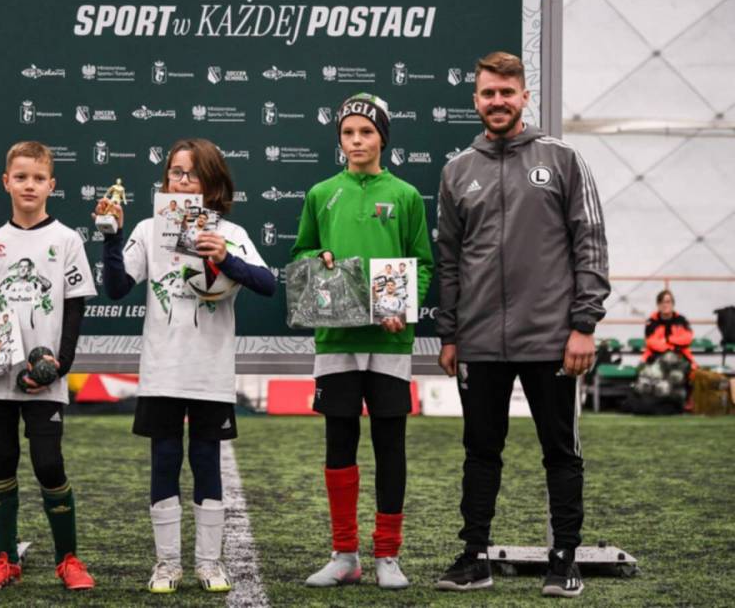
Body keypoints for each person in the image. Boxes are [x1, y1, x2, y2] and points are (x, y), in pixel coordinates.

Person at [434, 52, 610, 599]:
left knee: (560, 451)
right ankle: (475, 557)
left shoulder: (563, 159)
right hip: (479, 341)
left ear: (525, 96)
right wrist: (450, 334)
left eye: (507, 92)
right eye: (488, 93)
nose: (498, 101)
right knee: (480, 451)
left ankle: (564, 558)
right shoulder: (457, 170)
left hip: (551, 339)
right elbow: (449, 260)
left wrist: (584, 324)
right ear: (476, 100)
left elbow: (590, 242)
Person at [96, 138, 276, 593]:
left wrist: (225, 257)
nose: (181, 181)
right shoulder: (148, 228)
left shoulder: (229, 232)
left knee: (205, 459)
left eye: (191, 173)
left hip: (209, 372)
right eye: (175, 172)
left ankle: (209, 564)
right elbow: (116, 287)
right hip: (162, 369)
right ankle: (167, 564)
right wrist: (112, 238)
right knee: (165, 459)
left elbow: (267, 283)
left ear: (212, 182)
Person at [291, 92, 433, 590]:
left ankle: (387, 555)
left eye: (366, 132)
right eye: (348, 133)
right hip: (336, 340)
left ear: (382, 138)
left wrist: (403, 307)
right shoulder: (321, 193)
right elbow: (302, 252)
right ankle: (345, 554)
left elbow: (423, 263)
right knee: (340, 443)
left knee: (390, 445)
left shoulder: (406, 195)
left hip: (390, 343)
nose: (356, 141)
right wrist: (319, 261)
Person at [0, 141, 97, 591]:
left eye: (38, 178)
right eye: (20, 177)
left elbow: (75, 310)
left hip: (44, 378)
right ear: (6, 182)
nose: (29, 185)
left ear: (51, 185)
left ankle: (69, 560)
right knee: (1, 460)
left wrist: (60, 367)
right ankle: (5, 560)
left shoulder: (67, 240)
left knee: (48, 464)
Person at [643, 290, 697, 370]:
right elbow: (652, 342)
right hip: (655, 357)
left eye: (668, 302)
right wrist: (673, 346)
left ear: (673, 304)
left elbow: (687, 338)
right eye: (661, 302)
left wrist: (667, 339)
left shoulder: (681, 320)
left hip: (680, 356)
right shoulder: (651, 322)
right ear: (658, 305)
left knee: (686, 371)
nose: (665, 305)